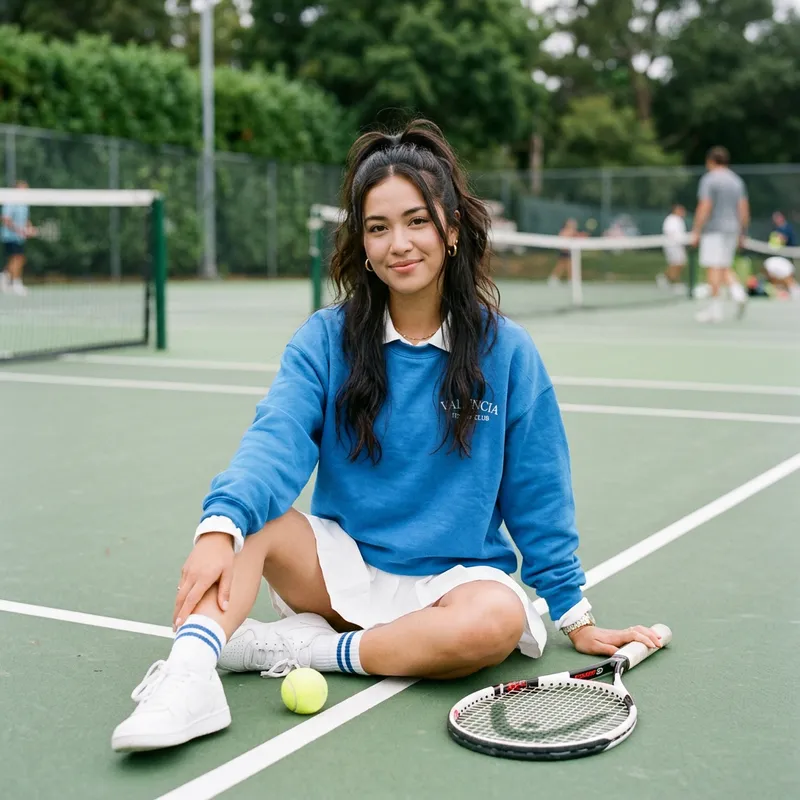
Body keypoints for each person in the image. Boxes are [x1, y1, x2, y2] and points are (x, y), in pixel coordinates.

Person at [111, 120, 663, 753]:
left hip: (454, 585)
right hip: (339, 570)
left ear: (452, 231)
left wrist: (574, 614)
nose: (398, 244)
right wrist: (219, 526)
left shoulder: (506, 352)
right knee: (251, 522)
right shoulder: (325, 339)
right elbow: (277, 437)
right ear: (363, 243)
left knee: (498, 620)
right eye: (378, 228)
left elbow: (537, 489)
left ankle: (312, 649)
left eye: (417, 221)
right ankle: (187, 680)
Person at [690, 147, 749, 323]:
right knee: (723, 265)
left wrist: (696, 230)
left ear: (710, 161)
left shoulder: (709, 179)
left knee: (713, 267)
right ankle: (738, 294)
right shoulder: (737, 181)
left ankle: (715, 310)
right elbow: (743, 208)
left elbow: (705, 206)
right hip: (732, 230)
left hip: (714, 230)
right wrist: (742, 231)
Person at [1, 179, 37, 296]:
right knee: (16, 258)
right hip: (10, 236)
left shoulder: (24, 203)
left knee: (19, 259)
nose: (26, 190)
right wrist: (18, 230)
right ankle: (15, 283)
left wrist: (30, 228)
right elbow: (6, 219)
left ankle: (4, 277)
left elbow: (26, 220)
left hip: (20, 237)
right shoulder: (11, 201)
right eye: (23, 188)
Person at [658, 203, 687, 290]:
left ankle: (664, 278)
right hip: (671, 245)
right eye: (680, 210)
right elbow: (669, 232)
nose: (683, 212)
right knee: (676, 263)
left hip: (678, 245)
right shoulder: (670, 219)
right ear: (675, 210)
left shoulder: (679, 220)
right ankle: (674, 281)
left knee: (680, 263)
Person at [547, 217, 580, 286]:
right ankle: (554, 279)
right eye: (571, 223)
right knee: (562, 265)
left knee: (567, 266)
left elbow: (577, 237)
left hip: (568, 251)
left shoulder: (573, 231)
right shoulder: (565, 231)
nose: (573, 224)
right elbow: (562, 240)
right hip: (564, 251)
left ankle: (569, 280)